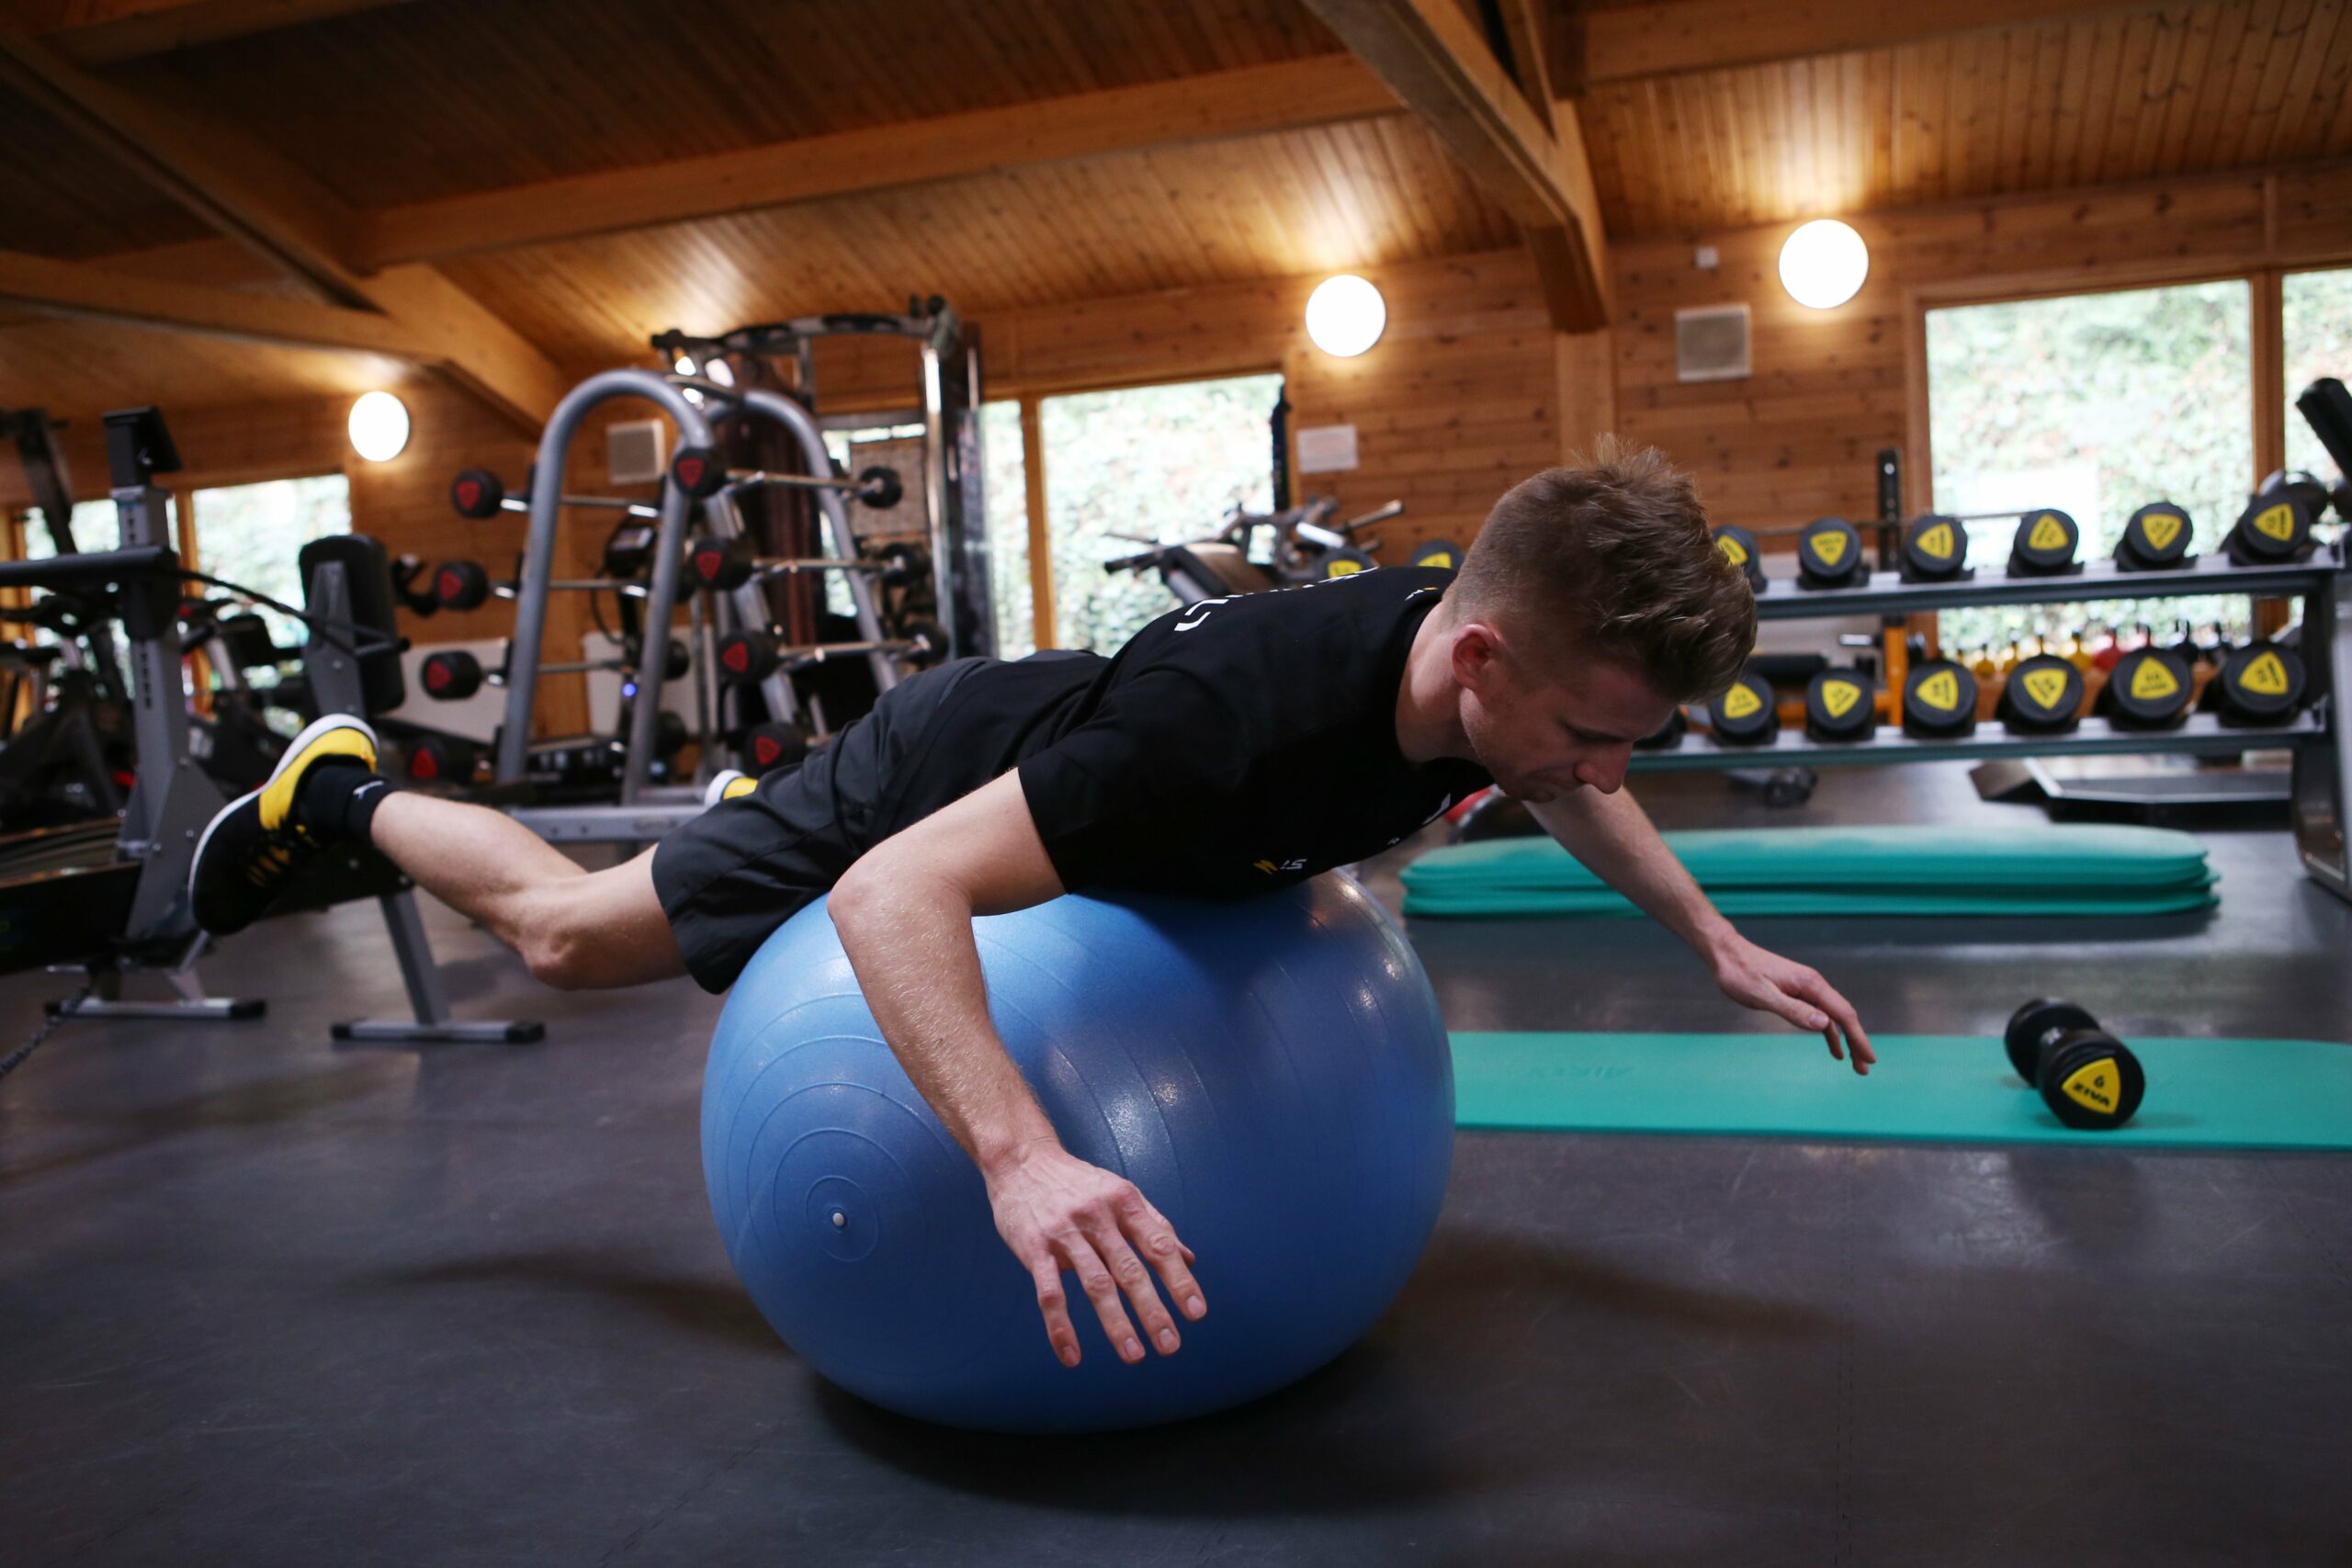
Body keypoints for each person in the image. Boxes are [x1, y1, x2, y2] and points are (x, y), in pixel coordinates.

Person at [189, 442, 1873, 1374]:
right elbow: (891, 889)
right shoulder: (1221, 741)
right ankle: (336, 789)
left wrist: (1712, 940)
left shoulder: (1485, 675)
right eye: (1591, 730)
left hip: (1085, 784)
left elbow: (1582, 785)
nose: (1602, 771)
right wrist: (1022, 1151)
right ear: (1481, 657)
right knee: (576, 941)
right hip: (936, 782)